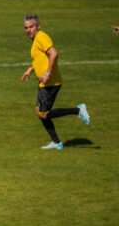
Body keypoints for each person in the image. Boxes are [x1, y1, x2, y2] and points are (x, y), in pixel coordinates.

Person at [20, 14, 90, 150]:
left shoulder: (41, 37)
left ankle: (78, 110)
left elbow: (54, 53)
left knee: (43, 114)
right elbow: (41, 58)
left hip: (51, 82)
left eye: (31, 27)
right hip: (45, 83)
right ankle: (56, 142)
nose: (28, 30)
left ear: (38, 26)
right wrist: (31, 69)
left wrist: (47, 74)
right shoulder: (36, 39)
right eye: (26, 28)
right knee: (40, 113)